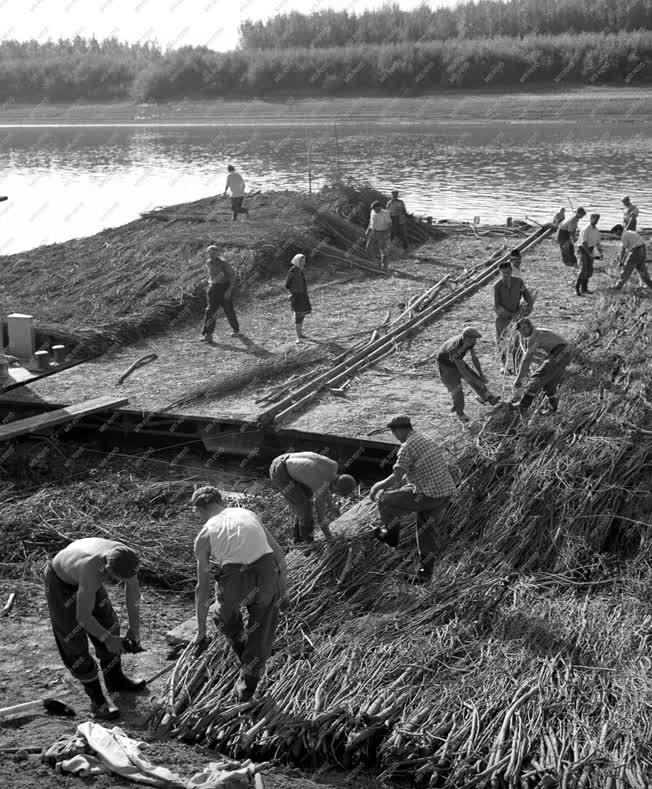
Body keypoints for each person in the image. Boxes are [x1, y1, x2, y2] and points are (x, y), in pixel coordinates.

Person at [191, 486, 288, 702]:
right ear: (220, 502)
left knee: (221, 612)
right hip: (266, 574)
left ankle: (239, 642)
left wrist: (200, 632)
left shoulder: (204, 534)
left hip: (235, 582)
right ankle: (248, 687)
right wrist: (284, 590)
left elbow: (202, 588)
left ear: (199, 509)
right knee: (262, 626)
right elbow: (278, 553)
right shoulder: (248, 513)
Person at [44, 538, 145, 720]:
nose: (111, 582)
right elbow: (83, 617)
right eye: (110, 577)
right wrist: (108, 639)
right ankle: (97, 701)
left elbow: (133, 594)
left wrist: (134, 629)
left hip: (86, 580)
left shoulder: (128, 559)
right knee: (72, 640)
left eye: (117, 580)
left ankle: (116, 681)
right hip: (61, 581)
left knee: (109, 624)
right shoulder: (91, 569)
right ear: (106, 566)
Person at [369, 415, 456, 583]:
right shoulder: (425, 438)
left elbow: (397, 476)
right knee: (426, 533)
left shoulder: (407, 447)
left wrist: (377, 486)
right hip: (444, 493)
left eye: (394, 433)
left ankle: (391, 536)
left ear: (399, 430)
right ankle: (425, 574)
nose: (395, 436)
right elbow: (413, 471)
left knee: (385, 501)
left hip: (428, 495)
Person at [269, 451, 356, 544]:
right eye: (337, 492)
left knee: (307, 498)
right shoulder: (320, 485)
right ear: (335, 487)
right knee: (305, 508)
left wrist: (331, 506)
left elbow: (326, 487)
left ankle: (298, 535)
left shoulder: (333, 466)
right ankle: (305, 542)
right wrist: (330, 538)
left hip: (286, 459)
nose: (334, 493)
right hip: (280, 472)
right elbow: (321, 518)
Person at [437, 327, 500, 423]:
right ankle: (460, 414)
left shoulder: (470, 342)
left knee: (474, 376)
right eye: (473, 339)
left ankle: (487, 397)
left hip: (457, 361)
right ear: (466, 338)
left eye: (475, 339)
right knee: (457, 390)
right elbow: (462, 371)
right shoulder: (455, 348)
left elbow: (474, 359)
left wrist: (481, 375)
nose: (475, 341)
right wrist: (477, 382)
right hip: (446, 366)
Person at [512, 318, 571, 416]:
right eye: (520, 331)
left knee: (537, 378)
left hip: (560, 352)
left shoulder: (534, 337)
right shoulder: (539, 333)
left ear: (529, 326)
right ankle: (553, 409)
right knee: (550, 384)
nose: (522, 332)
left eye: (524, 329)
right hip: (565, 352)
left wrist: (518, 379)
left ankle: (523, 405)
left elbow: (526, 360)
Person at [493, 260, 534, 374]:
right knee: (503, 342)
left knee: (517, 342)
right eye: (503, 273)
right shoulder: (497, 286)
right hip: (502, 319)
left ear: (511, 271)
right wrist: (509, 315)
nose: (505, 275)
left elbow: (527, 295)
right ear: (500, 273)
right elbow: (496, 305)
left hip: (517, 317)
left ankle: (517, 367)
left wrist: (529, 306)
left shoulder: (518, 282)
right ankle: (504, 366)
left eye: (507, 272)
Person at [200, 246, 240, 342]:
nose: (211, 254)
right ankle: (208, 335)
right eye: (209, 252)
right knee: (210, 311)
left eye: (213, 252)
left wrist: (229, 290)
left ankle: (236, 330)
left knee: (228, 310)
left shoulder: (223, 263)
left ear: (217, 253)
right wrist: (207, 282)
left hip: (224, 288)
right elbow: (210, 275)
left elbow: (233, 276)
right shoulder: (208, 262)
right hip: (213, 288)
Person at [610, 224, 651, 290]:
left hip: (636, 251)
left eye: (615, 232)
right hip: (643, 249)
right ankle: (650, 284)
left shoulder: (624, 235)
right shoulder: (630, 232)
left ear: (618, 230)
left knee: (626, 269)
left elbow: (623, 250)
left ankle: (618, 286)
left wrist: (621, 261)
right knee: (642, 269)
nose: (615, 234)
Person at [285, 254, 312, 344]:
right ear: (296, 261)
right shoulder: (292, 271)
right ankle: (298, 337)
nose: (302, 263)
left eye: (304, 261)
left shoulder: (301, 271)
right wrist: (292, 293)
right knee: (298, 316)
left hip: (303, 295)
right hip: (297, 296)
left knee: (302, 314)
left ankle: (300, 334)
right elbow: (287, 285)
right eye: (301, 261)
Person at [576, 213, 603, 296]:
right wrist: (589, 254)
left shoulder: (596, 230)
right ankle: (577, 288)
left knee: (589, 270)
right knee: (583, 269)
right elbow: (584, 243)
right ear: (591, 218)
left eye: (597, 219)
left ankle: (584, 288)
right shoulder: (586, 229)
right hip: (582, 250)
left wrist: (600, 252)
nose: (596, 220)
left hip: (590, 250)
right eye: (595, 218)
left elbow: (598, 243)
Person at [365, 200, 392, 269]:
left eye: (375, 208)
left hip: (382, 232)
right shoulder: (372, 211)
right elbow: (370, 221)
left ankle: (385, 266)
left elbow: (389, 224)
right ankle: (377, 263)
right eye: (373, 209)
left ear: (379, 207)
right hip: (373, 232)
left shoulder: (385, 213)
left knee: (383, 250)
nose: (374, 210)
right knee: (368, 248)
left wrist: (387, 234)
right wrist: (368, 229)